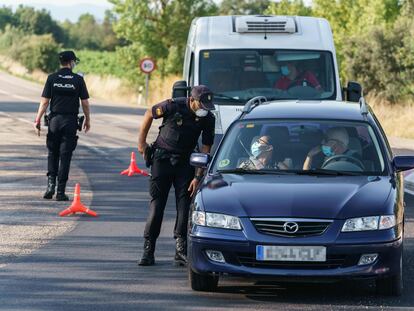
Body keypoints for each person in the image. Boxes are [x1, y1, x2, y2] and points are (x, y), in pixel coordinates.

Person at [137, 85, 215, 266]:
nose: (205, 109)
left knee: (184, 206)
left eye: (207, 106)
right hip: (162, 160)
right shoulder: (173, 106)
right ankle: (148, 249)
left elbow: (206, 146)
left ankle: (180, 249)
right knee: (157, 206)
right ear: (192, 100)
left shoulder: (208, 118)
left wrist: (198, 176)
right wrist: (141, 142)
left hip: (186, 163)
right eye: (202, 105)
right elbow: (149, 113)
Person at [34, 50, 90, 201]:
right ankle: (60, 192)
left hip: (54, 121)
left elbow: (45, 101)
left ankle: (50, 186)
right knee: (65, 156)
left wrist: (37, 119)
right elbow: (84, 103)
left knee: (53, 153)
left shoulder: (52, 78)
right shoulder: (78, 79)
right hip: (70, 121)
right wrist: (88, 120)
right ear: (71, 62)